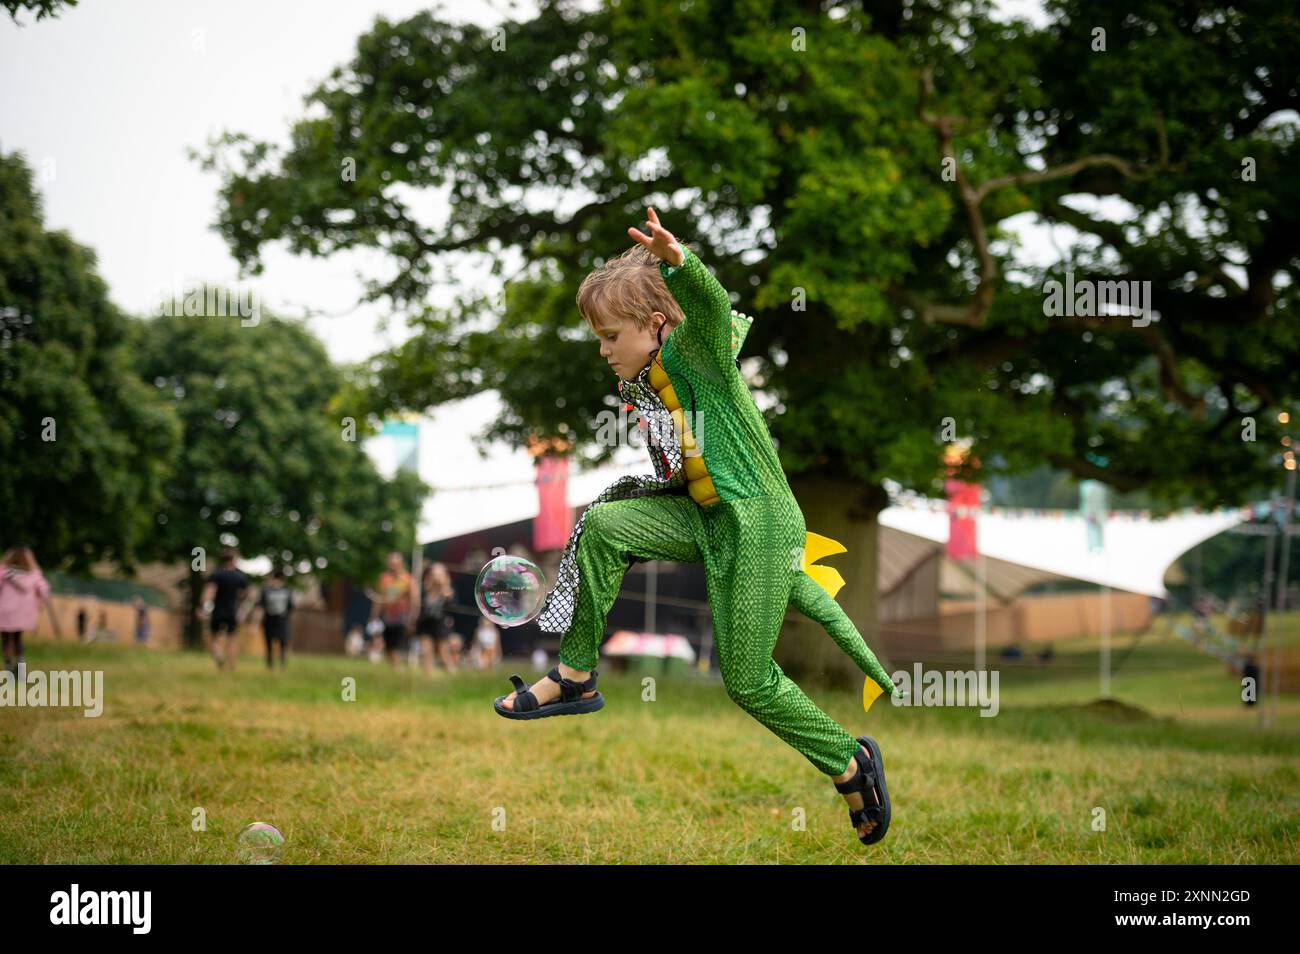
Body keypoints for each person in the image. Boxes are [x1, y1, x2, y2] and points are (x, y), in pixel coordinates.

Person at [493, 208, 899, 846]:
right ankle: (576, 675)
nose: (601, 350)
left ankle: (852, 764)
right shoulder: (646, 385)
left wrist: (680, 262)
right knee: (602, 526)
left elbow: (707, 305)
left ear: (653, 326)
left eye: (608, 336)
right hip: (707, 520)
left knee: (746, 680)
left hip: (759, 523)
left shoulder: (697, 352)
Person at [0, 545, 50, 676]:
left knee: (6, 639)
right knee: (18, 638)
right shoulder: (34, 574)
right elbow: (44, 589)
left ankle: (8, 667)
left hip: (5, 611)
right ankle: (20, 668)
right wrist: (41, 603)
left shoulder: (3, 572)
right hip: (23, 612)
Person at [200, 549, 250, 671]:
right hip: (233, 612)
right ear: (234, 559)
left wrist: (203, 608)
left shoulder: (217, 574)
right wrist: (243, 611)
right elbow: (245, 596)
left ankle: (218, 655)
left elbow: (209, 592)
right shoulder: (241, 577)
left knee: (212, 637)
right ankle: (231, 666)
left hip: (218, 611)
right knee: (232, 639)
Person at [369, 552, 415, 668]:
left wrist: (412, 617)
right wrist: (374, 616)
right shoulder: (384, 578)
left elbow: (414, 600)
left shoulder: (408, 579)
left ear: (401, 564)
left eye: (396, 563)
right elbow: (379, 599)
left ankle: (398, 670)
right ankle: (396, 670)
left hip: (402, 616)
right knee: (389, 646)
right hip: (388, 616)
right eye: (391, 563)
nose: (393, 565)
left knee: (396, 645)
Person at [416, 561, 455, 674]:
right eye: (434, 574)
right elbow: (421, 605)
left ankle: (451, 672)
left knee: (443, 652)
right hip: (426, 623)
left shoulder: (448, 591)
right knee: (426, 651)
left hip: (441, 624)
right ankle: (427, 675)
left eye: (439, 574)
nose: (436, 577)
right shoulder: (425, 589)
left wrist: (443, 590)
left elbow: (451, 607)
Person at [256, 571, 293, 670]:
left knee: (283, 642)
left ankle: (282, 663)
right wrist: (256, 622)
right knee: (268, 641)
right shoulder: (266, 591)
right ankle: (270, 664)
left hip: (281, 620)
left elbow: (290, 607)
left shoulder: (286, 591)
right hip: (269, 619)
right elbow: (260, 606)